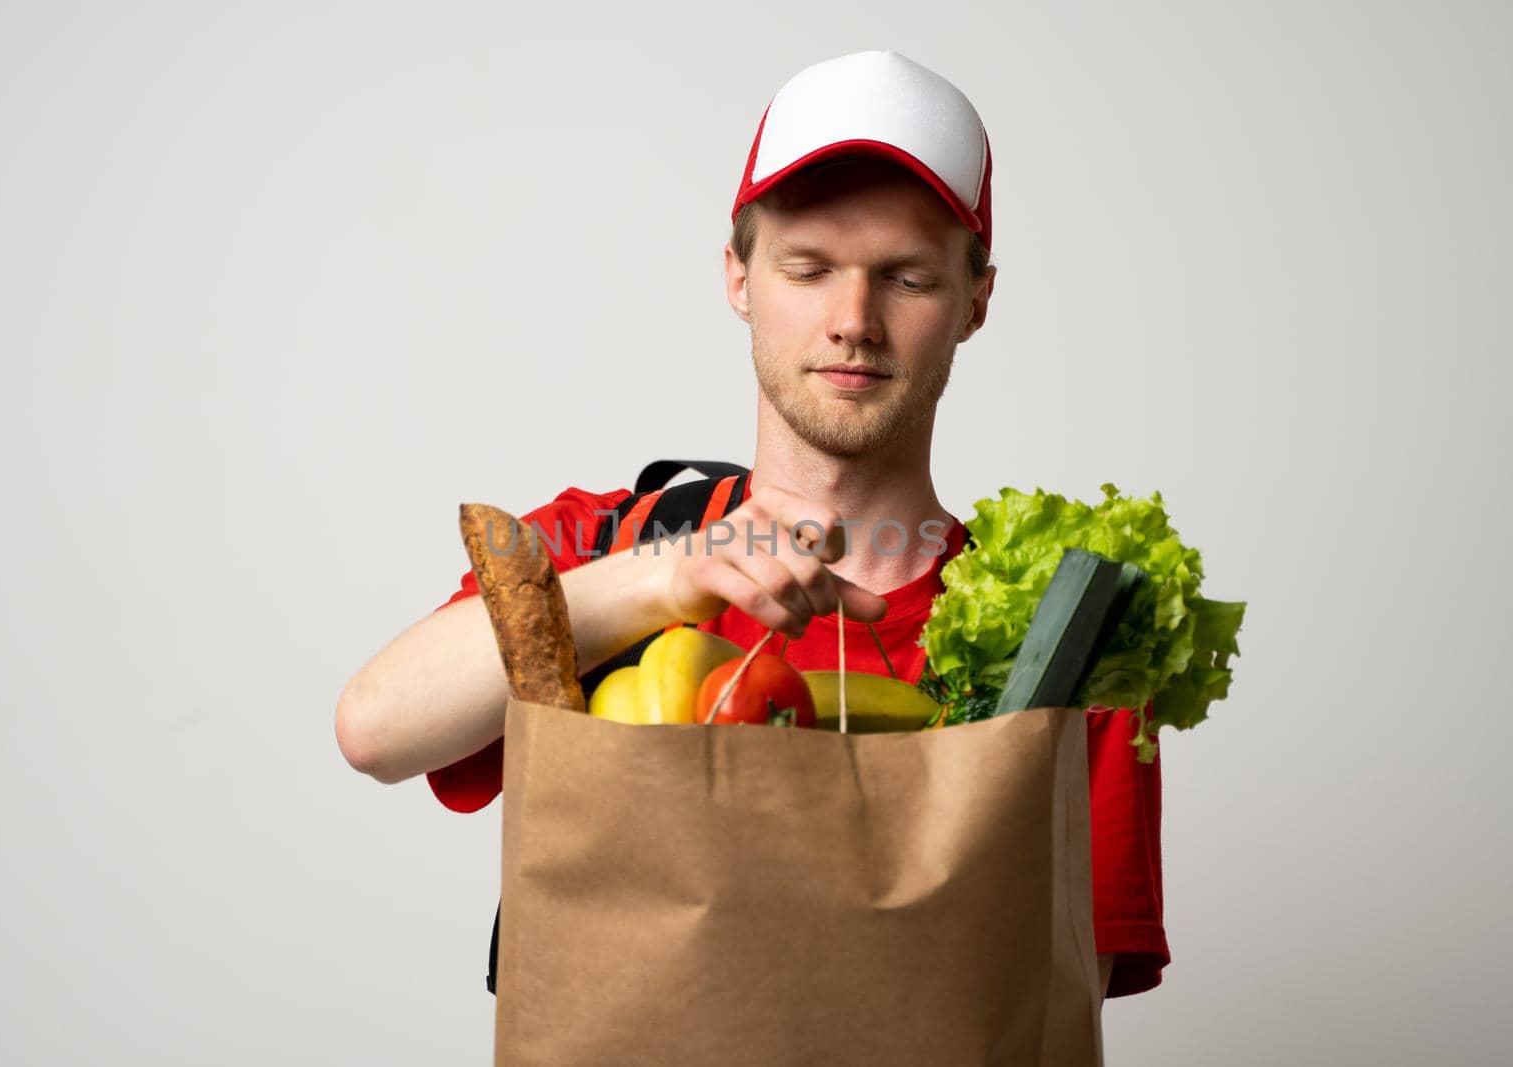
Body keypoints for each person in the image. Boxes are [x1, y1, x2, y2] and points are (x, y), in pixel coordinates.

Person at [336, 49, 1169, 1001]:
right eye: (807, 269)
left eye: (905, 278)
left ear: (976, 300)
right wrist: (666, 578)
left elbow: (1060, 1001)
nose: (853, 319)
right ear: (738, 277)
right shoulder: (603, 544)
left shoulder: (1066, 635)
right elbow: (375, 729)